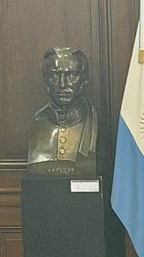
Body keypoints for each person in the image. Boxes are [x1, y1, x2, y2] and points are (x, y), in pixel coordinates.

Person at [27, 47, 98, 177]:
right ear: (46, 80)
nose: (62, 84)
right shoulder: (37, 123)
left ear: (85, 79)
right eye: (54, 75)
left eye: (71, 75)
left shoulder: (100, 126)